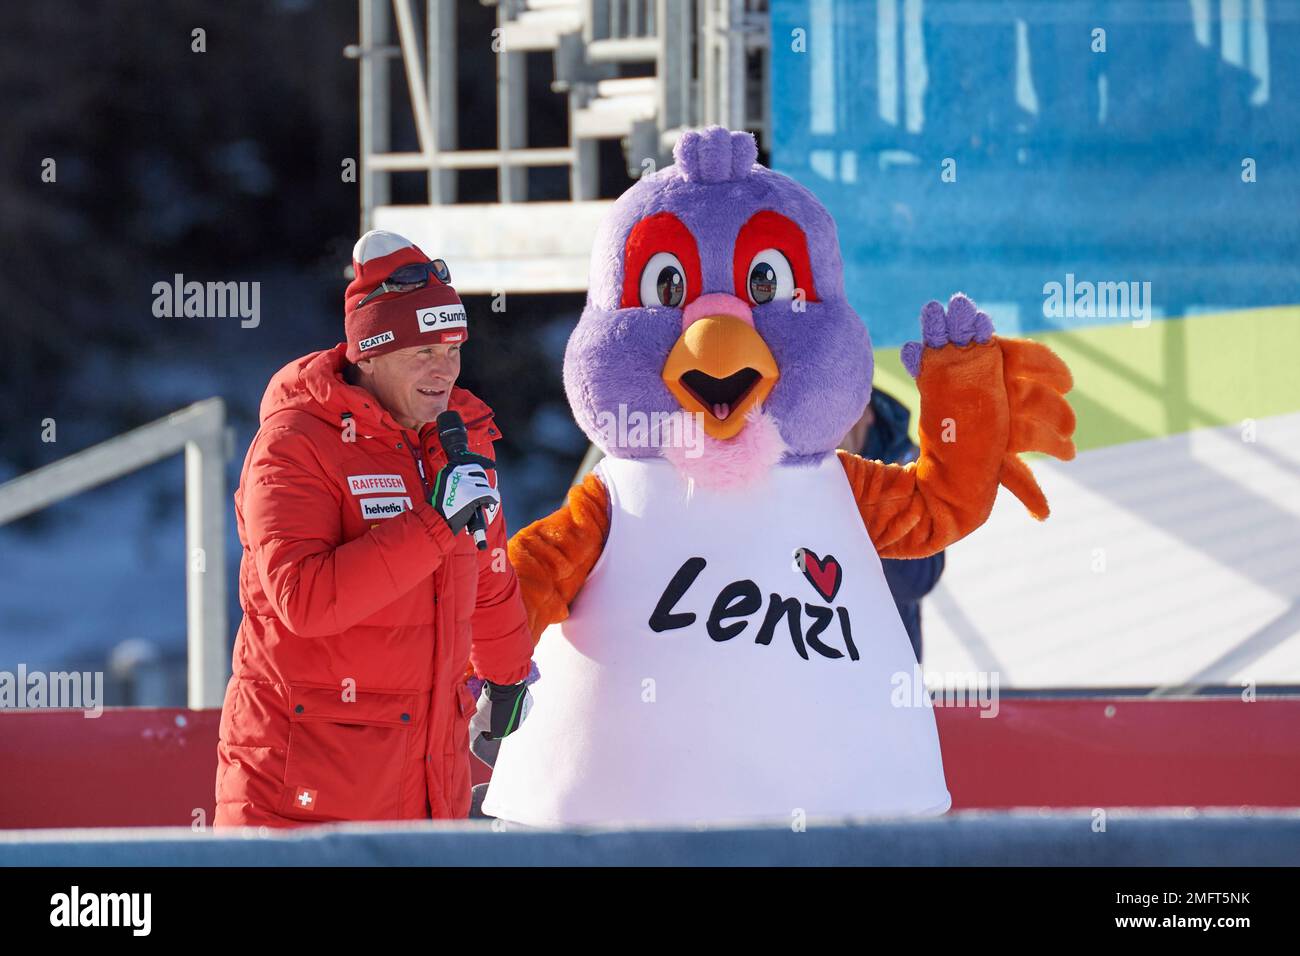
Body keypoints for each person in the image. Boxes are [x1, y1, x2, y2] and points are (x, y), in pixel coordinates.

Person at [214, 229, 534, 827]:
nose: (445, 371)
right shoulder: (294, 444)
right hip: (300, 798)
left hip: (425, 789)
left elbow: (486, 565)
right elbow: (303, 600)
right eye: (424, 353)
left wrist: (508, 673)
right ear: (370, 354)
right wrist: (434, 525)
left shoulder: (460, 433)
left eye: (453, 348)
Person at [840, 388, 946, 662]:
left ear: (869, 412)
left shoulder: (907, 469)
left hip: (886, 666)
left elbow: (918, 579)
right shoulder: (784, 464)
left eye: (845, 410)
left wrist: (866, 505)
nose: (835, 424)